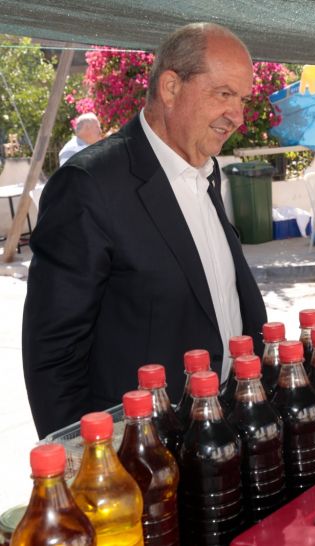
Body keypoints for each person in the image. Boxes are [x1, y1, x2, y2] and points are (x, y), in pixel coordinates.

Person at [23, 23, 268, 438]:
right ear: (171, 87)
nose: (238, 115)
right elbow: (53, 352)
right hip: (142, 455)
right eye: (224, 94)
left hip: (220, 434)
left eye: (242, 99)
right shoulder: (90, 184)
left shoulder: (206, 174)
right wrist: (85, 467)